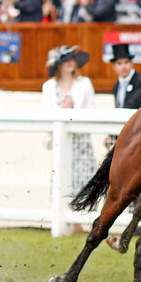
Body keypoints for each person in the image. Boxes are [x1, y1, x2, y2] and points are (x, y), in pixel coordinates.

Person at [42, 46, 95, 234]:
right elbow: (46, 114)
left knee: (82, 179)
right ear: (58, 65)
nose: (70, 63)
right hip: (60, 141)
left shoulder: (85, 83)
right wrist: (62, 111)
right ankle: (62, 220)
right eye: (65, 60)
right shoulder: (48, 86)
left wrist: (73, 112)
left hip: (80, 141)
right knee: (61, 177)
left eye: (72, 59)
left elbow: (90, 111)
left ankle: (78, 222)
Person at [111, 44, 141, 109]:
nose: (123, 67)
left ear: (132, 64)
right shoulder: (116, 86)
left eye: (126, 62)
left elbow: (134, 104)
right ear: (113, 66)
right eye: (119, 63)